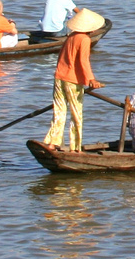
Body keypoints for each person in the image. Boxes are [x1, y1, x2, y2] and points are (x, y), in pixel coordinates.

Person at [41, 9, 106, 152]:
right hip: (72, 80)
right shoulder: (84, 39)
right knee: (76, 114)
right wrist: (91, 79)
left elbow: (61, 58)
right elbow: (84, 61)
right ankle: (75, 148)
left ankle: (52, 143)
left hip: (59, 77)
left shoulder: (70, 37)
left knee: (59, 112)